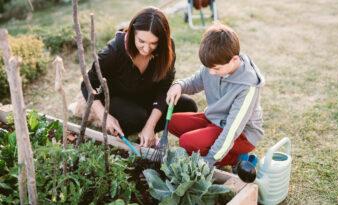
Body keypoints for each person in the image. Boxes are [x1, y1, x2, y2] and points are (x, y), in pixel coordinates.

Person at [79, 7, 197, 147]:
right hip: (119, 102)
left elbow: (164, 87)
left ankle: (145, 131)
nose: (146, 49)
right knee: (136, 117)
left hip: (147, 99)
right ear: (132, 32)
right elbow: (87, 84)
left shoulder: (167, 47)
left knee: (188, 106)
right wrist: (105, 117)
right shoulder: (113, 52)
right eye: (141, 41)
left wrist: (150, 125)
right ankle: (133, 130)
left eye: (153, 43)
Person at [166, 23, 264, 167]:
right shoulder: (215, 63)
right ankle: (210, 142)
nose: (211, 73)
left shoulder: (248, 87)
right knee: (172, 121)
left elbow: (232, 130)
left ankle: (236, 158)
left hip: (241, 134)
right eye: (209, 68)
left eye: (216, 69)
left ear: (234, 60)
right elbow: (195, 82)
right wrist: (178, 85)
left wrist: (209, 161)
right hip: (215, 120)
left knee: (187, 142)